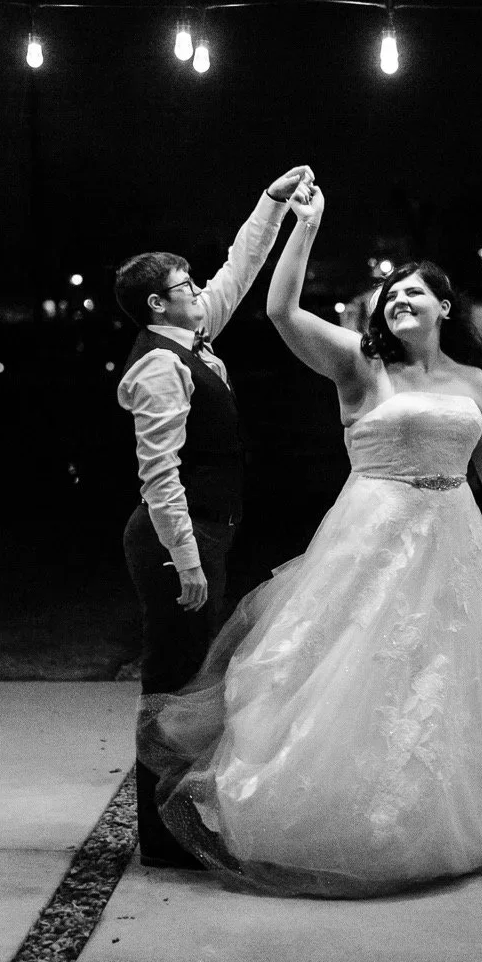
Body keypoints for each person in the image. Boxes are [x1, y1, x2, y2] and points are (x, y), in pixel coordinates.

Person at [138, 178, 482, 897]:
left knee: (435, 682)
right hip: (371, 538)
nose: (398, 302)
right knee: (348, 673)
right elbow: (280, 311)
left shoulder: (476, 384)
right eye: (390, 295)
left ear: (445, 307)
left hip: (454, 544)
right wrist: (305, 226)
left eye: (414, 294)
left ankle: (424, 828)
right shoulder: (360, 364)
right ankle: (328, 823)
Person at [115, 164, 314, 869]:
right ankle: (165, 836)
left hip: (205, 532)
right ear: (156, 304)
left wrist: (272, 204)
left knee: (193, 680)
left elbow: (240, 268)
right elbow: (159, 475)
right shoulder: (157, 367)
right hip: (178, 538)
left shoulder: (190, 339)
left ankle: (178, 823)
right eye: (185, 286)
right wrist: (189, 561)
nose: (199, 291)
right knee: (172, 682)